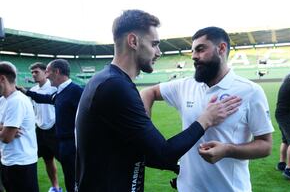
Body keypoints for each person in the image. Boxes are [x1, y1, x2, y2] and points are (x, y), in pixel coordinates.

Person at [74, 10, 241, 192]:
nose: (158, 52)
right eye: (154, 44)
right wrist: (206, 119)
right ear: (133, 41)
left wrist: (181, 169)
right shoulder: (115, 86)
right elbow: (163, 153)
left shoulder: (107, 80)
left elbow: (143, 150)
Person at [141, 26, 274, 192]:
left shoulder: (250, 91)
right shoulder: (186, 86)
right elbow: (148, 92)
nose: (194, 56)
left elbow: (266, 145)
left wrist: (227, 150)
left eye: (200, 49)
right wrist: (145, 130)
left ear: (221, 48)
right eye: (193, 51)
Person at [21, 59, 83, 192]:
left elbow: (88, 119)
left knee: (75, 179)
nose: (46, 75)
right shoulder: (60, 92)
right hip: (63, 143)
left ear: (57, 72)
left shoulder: (76, 91)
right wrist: (26, 92)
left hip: (73, 145)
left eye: (48, 71)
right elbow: (47, 99)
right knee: (69, 178)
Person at [0, 61, 39, 192]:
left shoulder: (16, 101)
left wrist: (5, 130)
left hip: (21, 164)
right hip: (8, 160)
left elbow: (6, 137)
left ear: (2, 78)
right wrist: (4, 129)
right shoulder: (3, 100)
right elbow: (5, 133)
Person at [28, 62, 62, 192]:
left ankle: (75, 186)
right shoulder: (32, 90)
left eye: (36, 72)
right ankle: (56, 187)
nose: (34, 75)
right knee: (47, 160)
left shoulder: (54, 88)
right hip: (40, 131)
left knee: (65, 161)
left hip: (54, 129)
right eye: (32, 72)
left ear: (45, 72)